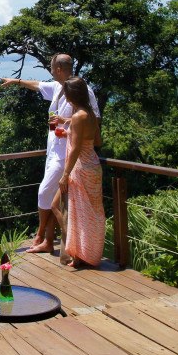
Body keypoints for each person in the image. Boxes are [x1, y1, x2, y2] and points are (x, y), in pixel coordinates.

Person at [0, 53, 99, 254]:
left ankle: (42, 234)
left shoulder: (83, 91)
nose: (50, 72)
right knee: (53, 199)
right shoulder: (57, 88)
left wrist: (70, 128)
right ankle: (48, 241)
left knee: (45, 193)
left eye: (52, 68)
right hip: (53, 151)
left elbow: (93, 119)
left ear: (59, 69)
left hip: (68, 154)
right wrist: (17, 81)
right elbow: (37, 85)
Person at [58, 76, 104, 268]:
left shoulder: (78, 117)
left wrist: (65, 174)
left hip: (81, 167)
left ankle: (80, 256)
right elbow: (97, 142)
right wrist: (70, 132)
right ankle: (89, 253)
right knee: (93, 212)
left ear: (70, 97)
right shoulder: (91, 114)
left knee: (78, 213)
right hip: (94, 165)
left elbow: (76, 149)